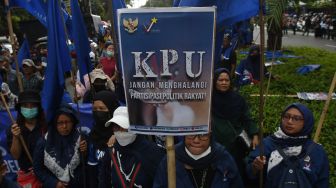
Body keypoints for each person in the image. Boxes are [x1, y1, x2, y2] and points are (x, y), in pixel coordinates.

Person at [247, 103, 329, 187]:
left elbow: (323, 182)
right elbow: (249, 173)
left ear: (307, 122)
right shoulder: (267, 144)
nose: (289, 121)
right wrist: (255, 168)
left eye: (296, 118)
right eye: (286, 116)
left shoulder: (316, 151)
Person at [212, 68, 258, 185]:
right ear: (214, 82)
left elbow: (247, 118)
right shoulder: (209, 100)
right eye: (220, 80)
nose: (224, 83)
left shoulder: (238, 99)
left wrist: (255, 135)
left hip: (236, 144)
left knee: (236, 173)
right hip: (216, 144)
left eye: (226, 80)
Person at [99, 106, 165, 188]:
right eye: (117, 127)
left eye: (125, 128)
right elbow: (104, 182)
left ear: (135, 127)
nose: (121, 131)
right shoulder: (111, 153)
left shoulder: (154, 153)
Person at [153, 133, 244, 188]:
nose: (196, 140)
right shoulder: (170, 159)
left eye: (203, 134)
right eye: (191, 134)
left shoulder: (223, 158)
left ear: (210, 134)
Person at [33, 104, 87, 188]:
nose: (64, 126)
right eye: (60, 123)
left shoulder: (81, 138)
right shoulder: (44, 143)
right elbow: (38, 169)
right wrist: (54, 183)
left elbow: (86, 165)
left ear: (73, 122)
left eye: (68, 122)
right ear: (54, 124)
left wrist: (84, 152)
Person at [6, 90, 47, 187]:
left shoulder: (46, 126)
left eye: (33, 105)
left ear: (38, 107)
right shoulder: (13, 128)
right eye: (25, 106)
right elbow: (15, 155)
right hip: (27, 177)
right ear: (20, 108)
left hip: (47, 175)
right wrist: (16, 137)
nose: (29, 108)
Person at [86, 90, 120, 187]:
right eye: (95, 109)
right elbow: (92, 171)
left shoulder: (123, 134)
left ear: (111, 109)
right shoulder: (93, 135)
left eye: (102, 108)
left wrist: (117, 136)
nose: (98, 112)